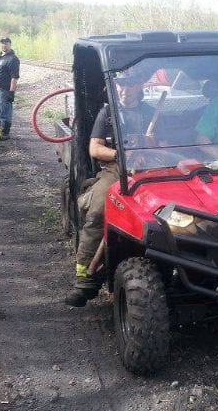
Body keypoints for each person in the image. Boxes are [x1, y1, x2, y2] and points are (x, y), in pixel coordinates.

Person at [64, 71, 154, 307]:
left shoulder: (150, 112)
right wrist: (122, 156)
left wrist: (152, 146)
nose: (125, 90)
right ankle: (84, 279)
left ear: (139, 87)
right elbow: (95, 148)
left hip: (149, 170)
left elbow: (163, 143)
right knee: (96, 213)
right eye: (121, 86)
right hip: (115, 170)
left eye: (130, 85)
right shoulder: (108, 113)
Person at [0, 37, 20, 140]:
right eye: (2, 43)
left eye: (6, 43)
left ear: (10, 44)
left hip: (5, 90)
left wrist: (11, 92)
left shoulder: (13, 59)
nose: (4, 45)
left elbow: (14, 77)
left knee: (5, 112)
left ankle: (5, 133)